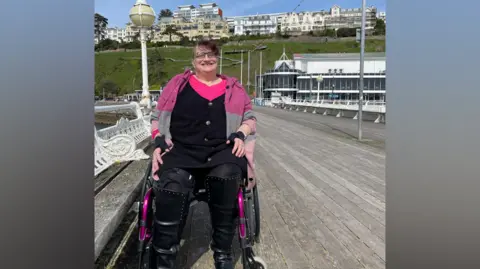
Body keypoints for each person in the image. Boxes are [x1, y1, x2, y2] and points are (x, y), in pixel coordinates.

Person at [149, 39, 257, 269]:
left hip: (222, 151)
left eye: (211, 55)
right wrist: (158, 140)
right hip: (182, 151)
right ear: (193, 61)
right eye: (201, 55)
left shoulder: (234, 87)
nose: (206, 59)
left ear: (218, 59)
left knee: (227, 176)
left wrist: (240, 133)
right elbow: (156, 116)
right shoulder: (178, 84)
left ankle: (222, 252)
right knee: (172, 187)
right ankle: (163, 260)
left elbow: (250, 118)